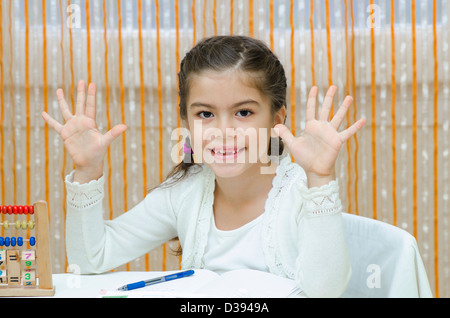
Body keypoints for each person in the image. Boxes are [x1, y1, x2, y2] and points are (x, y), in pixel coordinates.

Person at [41, 35, 366, 297]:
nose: (223, 132)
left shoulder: (301, 193)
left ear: (276, 120)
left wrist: (321, 178)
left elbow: (327, 292)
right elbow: (90, 260)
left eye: (243, 112)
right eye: (205, 114)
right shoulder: (186, 191)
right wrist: (86, 170)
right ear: (186, 121)